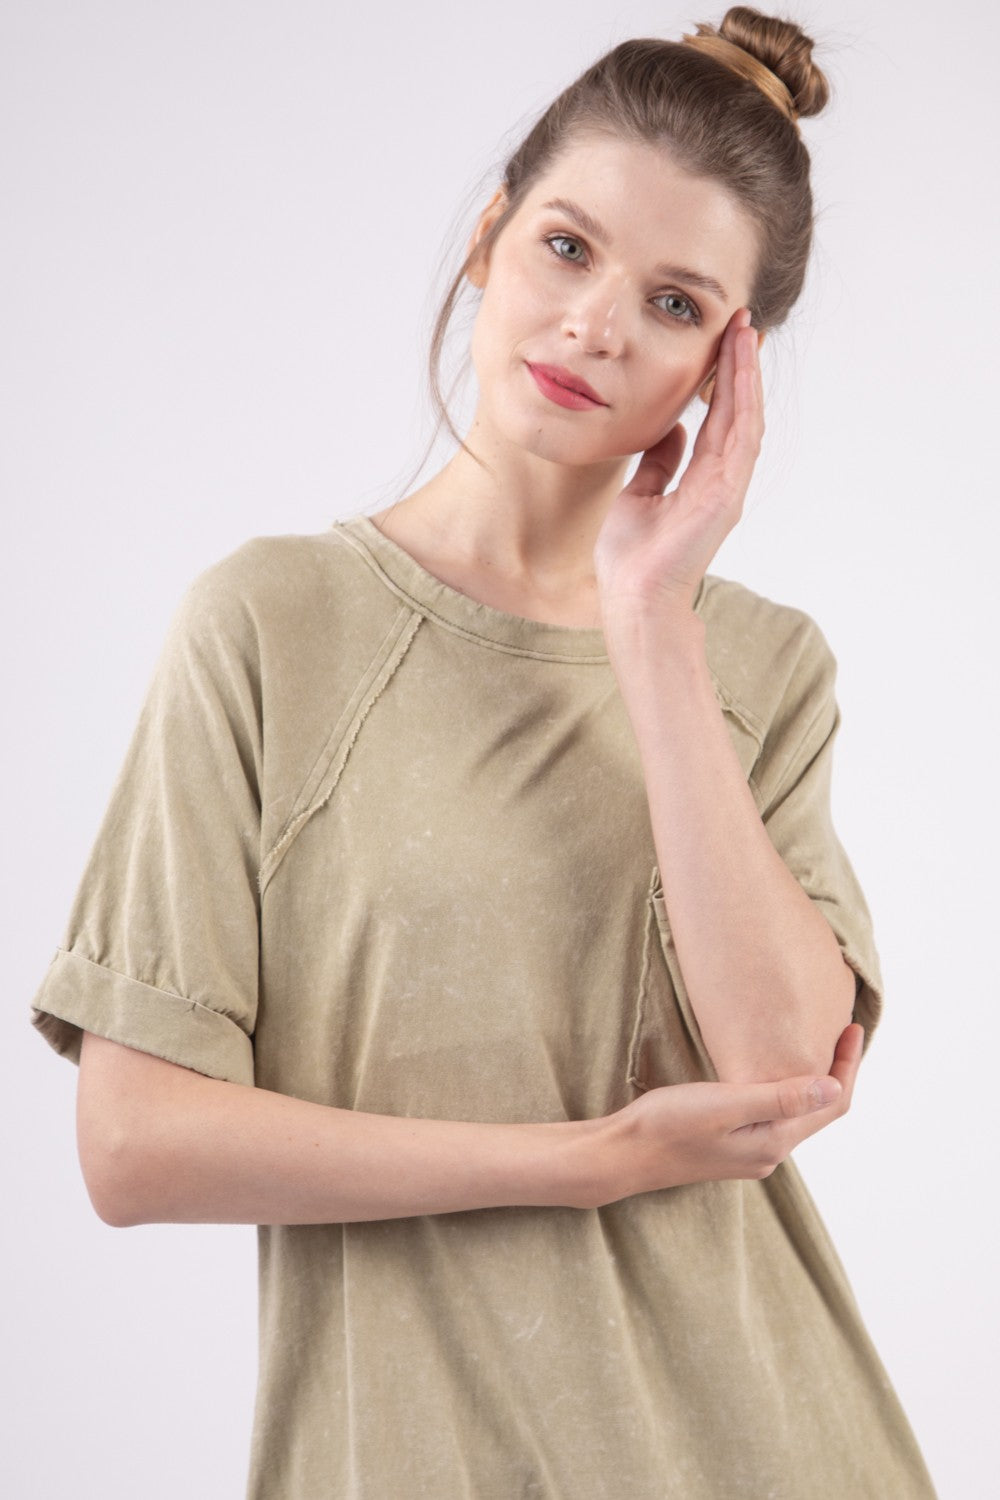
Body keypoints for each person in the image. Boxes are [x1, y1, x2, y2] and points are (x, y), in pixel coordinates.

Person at [30, 7, 937, 1497]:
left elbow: (784, 1076)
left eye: (673, 302)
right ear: (489, 239)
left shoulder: (762, 669)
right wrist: (597, 1159)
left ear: (727, 367)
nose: (594, 325)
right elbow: (135, 1146)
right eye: (570, 250)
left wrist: (648, 620)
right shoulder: (271, 624)